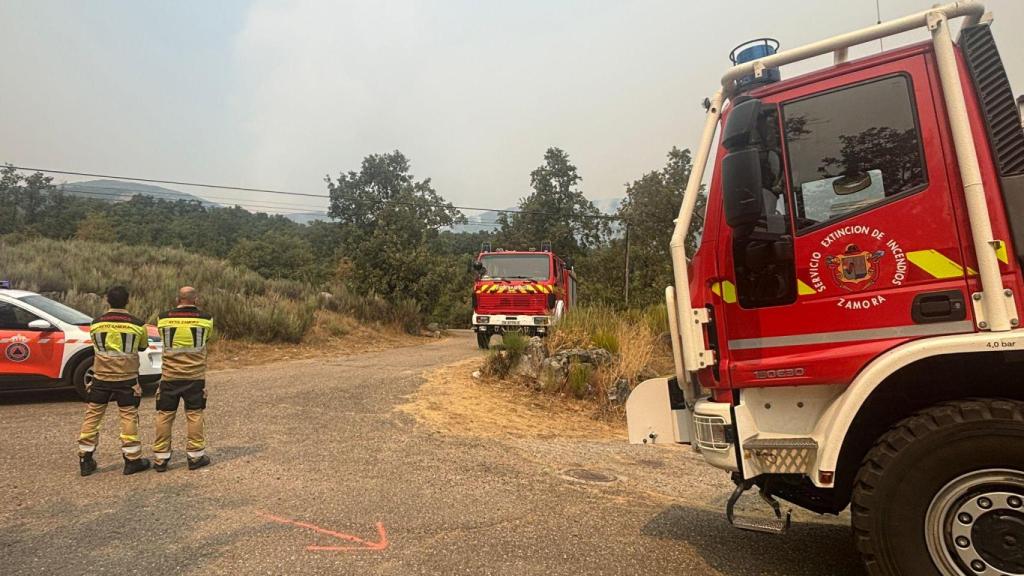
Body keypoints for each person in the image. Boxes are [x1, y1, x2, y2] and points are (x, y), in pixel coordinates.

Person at [77, 286, 151, 476]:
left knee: (93, 416)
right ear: (128, 301)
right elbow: (142, 346)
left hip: (101, 377)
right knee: (128, 416)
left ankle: (85, 459)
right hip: (127, 379)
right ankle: (132, 460)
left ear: (107, 301)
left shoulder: (96, 323)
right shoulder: (137, 324)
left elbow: (96, 346)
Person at [152, 286, 213, 472]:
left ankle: (160, 459)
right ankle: (195, 457)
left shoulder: (162, 319)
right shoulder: (206, 319)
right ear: (196, 299)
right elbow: (206, 340)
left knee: (165, 415)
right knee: (194, 415)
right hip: (194, 376)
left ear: (177, 299)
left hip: (169, 375)